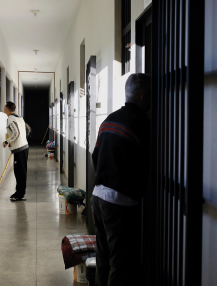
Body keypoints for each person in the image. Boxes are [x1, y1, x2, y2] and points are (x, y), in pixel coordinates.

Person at [91, 73, 151, 286]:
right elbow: (148, 163)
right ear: (144, 97)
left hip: (97, 197)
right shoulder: (143, 123)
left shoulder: (110, 119)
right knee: (121, 262)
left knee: (103, 256)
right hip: (119, 203)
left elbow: (95, 156)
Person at [3, 101, 29, 200]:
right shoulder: (19, 117)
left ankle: (20, 194)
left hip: (19, 149)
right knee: (20, 171)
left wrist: (7, 141)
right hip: (24, 147)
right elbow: (27, 131)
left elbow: (16, 133)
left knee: (19, 172)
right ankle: (19, 192)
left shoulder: (10, 119)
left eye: (4, 107)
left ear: (7, 109)